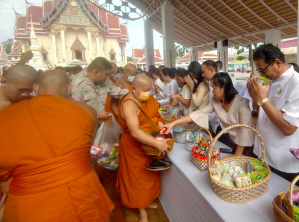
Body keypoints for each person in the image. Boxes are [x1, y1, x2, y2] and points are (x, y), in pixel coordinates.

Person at [0, 70, 114, 221]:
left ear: (35, 88)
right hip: (84, 190)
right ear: (69, 88)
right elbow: (87, 152)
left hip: (30, 203)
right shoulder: (86, 111)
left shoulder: (7, 117)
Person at [247, 44, 299, 182]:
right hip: (262, 151)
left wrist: (262, 99)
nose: (261, 75)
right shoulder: (270, 80)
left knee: (279, 198)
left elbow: (288, 128)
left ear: (277, 62)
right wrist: (255, 97)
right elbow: (261, 111)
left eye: (262, 70)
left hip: (282, 158)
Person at [117, 73, 171, 222]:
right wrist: (157, 143)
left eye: (150, 89)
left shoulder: (147, 97)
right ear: (134, 88)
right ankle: (142, 212)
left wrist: (160, 124)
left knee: (149, 176)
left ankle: (148, 200)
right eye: (145, 90)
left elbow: (154, 115)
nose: (149, 93)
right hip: (133, 146)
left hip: (149, 141)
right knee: (137, 179)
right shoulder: (129, 103)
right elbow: (135, 131)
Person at [166, 73, 254, 156]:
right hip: (234, 142)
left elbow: (245, 130)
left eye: (214, 88)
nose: (212, 92)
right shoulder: (216, 102)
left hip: (245, 145)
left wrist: (236, 156)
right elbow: (199, 113)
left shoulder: (242, 103)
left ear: (223, 88)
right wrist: (173, 123)